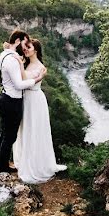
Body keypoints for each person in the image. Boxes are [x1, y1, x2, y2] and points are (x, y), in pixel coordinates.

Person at [13, 38, 67, 183]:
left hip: (35, 101)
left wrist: (19, 63)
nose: (25, 50)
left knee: (35, 130)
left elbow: (25, 82)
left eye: (28, 47)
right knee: (25, 129)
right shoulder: (28, 63)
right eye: (25, 48)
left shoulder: (39, 66)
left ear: (35, 50)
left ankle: (36, 165)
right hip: (26, 100)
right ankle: (26, 160)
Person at [0, 29, 46, 174]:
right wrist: (37, 79)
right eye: (24, 43)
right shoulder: (12, 59)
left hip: (6, 97)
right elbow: (19, 84)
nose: (24, 47)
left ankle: (1, 165)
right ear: (17, 41)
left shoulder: (4, 55)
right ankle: (1, 168)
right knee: (9, 136)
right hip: (12, 101)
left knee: (5, 134)